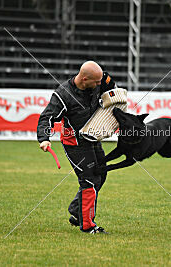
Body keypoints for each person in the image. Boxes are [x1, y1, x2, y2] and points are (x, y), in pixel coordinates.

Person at [37, 61, 116, 234]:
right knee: (89, 180)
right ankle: (88, 225)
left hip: (93, 138)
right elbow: (46, 118)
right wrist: (44, 138)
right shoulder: (62, 95)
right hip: (75, 144)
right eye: (95, 82)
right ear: (85, 79)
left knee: (101, 174)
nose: (98, 85)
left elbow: (111, 87)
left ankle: (76, 210)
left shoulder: (100, 79)